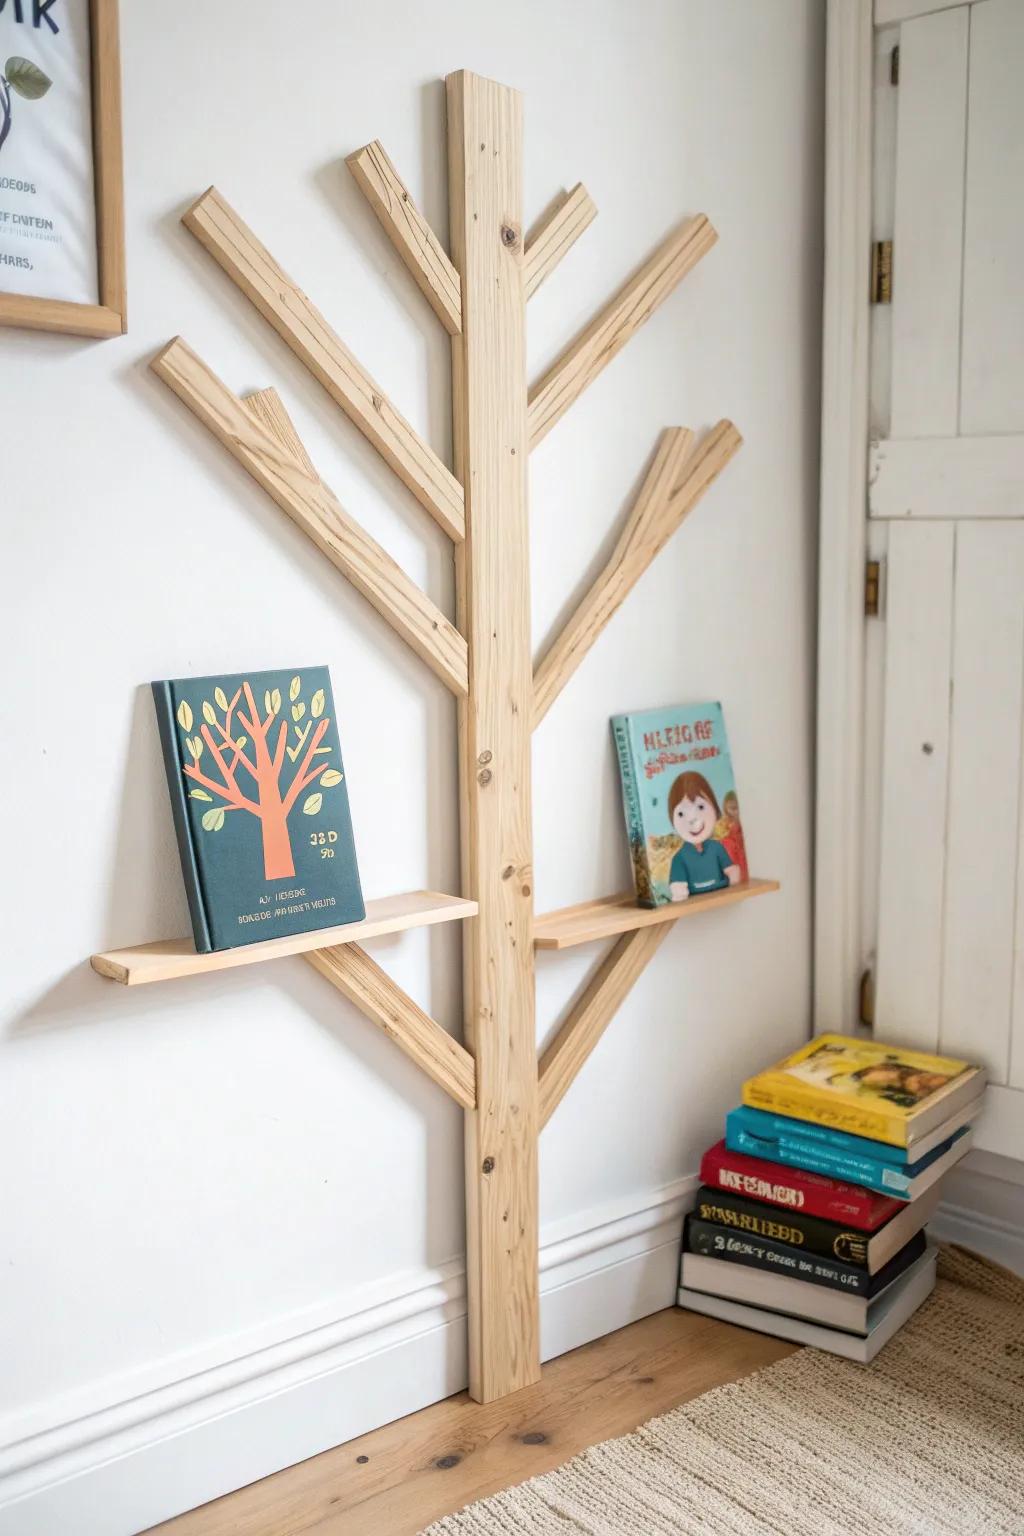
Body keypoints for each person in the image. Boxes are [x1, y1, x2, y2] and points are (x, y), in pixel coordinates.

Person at [667, 771, 740, 901]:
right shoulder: (679, 858)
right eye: (681, 814)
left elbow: (730, 869)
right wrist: (679, 892)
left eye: (701, 807)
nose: (692, 820)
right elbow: (678, 886)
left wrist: (734, 877)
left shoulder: (717, 847)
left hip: (721, 891)